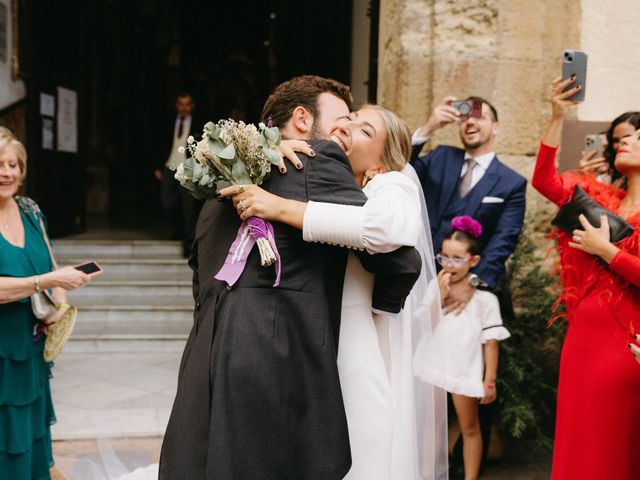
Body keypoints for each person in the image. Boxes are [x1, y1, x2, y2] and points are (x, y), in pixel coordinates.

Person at [159, 76, 423, 480]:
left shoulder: (218, 185)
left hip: (204, 362)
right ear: (302, 119)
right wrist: (372, 314)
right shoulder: (315, 163)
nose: (343, 130)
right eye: (342, 119)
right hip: (283, 365)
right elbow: (403, 263)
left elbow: (201, 273)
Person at [221, 105, 448, 479]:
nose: (347, 126)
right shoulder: (334, 179)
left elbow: (385, 230)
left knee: (358, 453)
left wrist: (279, 207)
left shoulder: (393, 183)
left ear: (380, 162)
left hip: (353, 349)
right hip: (313, 342)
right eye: (350, 118)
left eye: (365, 130)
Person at [531, 76, 640, 480]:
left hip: (628, 341)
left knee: (612, 446)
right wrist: (558, 116)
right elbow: (544, 181)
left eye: (637, 136)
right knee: (578, 439)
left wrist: (607, 251)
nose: (624, 140)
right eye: (622, 139)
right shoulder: (598, 199)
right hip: (583, 338)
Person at [410, 95, 526, 474]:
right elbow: (399, 171)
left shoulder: (511, 182)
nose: (471, 121)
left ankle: (466, 471)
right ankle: (426, 466)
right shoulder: (439, 158)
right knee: (425, 385)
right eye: (464, 115)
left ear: (496, 126)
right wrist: (427, 128)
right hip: (426, 287)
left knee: (474, 391)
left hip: (477, 296)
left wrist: (471, 283)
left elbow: (504, 239)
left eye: (482, 116)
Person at [0, 127, 91, 479]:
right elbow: (47, 277)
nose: (6, 173)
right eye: (0, 164)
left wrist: (60, 301)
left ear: (22, 171)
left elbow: (52, 263)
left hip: (31, 350)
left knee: (31, 436)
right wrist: (48, 282)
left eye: (13, 165)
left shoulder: (30, 211)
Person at [414, 216, 510, 480]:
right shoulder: (436, 286)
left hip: (462, 369)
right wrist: (440, 296)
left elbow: (490, 342)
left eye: (457, 258)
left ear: (473, 261)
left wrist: (489, 380)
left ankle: (470, 476)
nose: (448, 264)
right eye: (444, 256)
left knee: (469, 426)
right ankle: (425, 474)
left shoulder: (485, 299)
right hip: (431, 364)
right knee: (431, 424)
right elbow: (423, 325)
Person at [153, 91, 204, 257]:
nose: (184, 108)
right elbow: (158, 142)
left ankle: (188, 245)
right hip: (169, 167)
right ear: (177, 105)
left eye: (187, 104)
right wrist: (157, 167)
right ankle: (178, 232)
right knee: (167, 202)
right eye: (181, 104)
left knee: (189, 207)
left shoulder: (199, 123)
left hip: (188, 169)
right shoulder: (168, 121)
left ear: (192, 106)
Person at [579, 111, 640, 188]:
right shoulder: (606, 179)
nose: (621, 142)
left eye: (628, 137)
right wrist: (586, 177)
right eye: (615, 140)